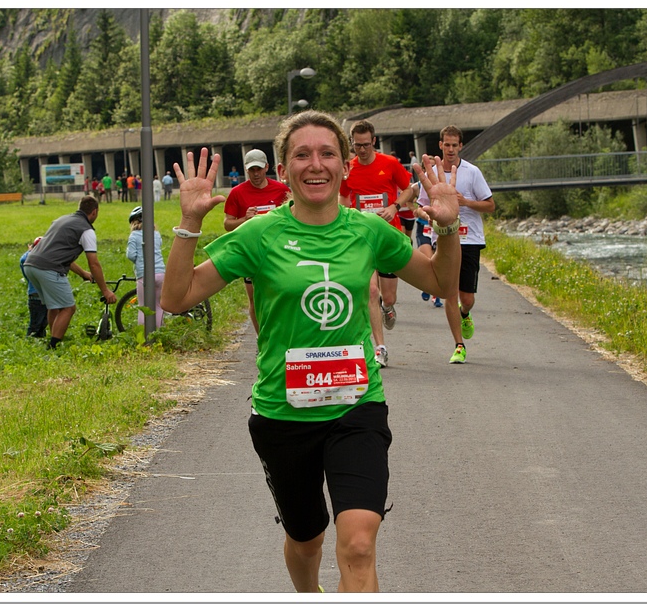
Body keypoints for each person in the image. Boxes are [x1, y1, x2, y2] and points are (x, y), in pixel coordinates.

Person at [161, 110, 461, 593]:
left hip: (357, 408)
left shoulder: (368, 231)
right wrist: (189, 222)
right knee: (306, 541)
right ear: (283, 170)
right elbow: (176, 299)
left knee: (359, 544)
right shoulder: (259, 235)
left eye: (327, 154)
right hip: (283, 416)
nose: (316, 164)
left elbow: (441, 283)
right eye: (302, 155)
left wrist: (448, 230)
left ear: (345, 165)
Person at [404, 125, 494, 364]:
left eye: (455, 145)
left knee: (467, 299)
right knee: (449, 293)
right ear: (440, 145)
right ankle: (459, 345)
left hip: (470, 238)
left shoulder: (472, 172)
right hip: (442, 238)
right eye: (447, 145)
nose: (451, 149)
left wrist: (465, 202)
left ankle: (465, 314)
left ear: (461, 146)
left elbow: (490, 205)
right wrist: (429, 214)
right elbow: (421, 207)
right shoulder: (432, 174)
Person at [337, 119, 414, 368]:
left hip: (387, 236)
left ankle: (387, 307)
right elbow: (343, 197)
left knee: (387, 297)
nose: (362, 150)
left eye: (366, 145)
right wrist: (346, 217)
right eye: (357, 145)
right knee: (371, 291)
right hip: (361, 239)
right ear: (352, 143)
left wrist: (394, 207)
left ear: (374, 141)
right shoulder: (349, 168)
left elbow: (409, 189)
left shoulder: (389, 163)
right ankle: (380, 348)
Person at [22, 195, 117, 349]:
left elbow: (57, 253)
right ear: (94, 212)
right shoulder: (86, 230)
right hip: (49, 268)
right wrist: (105, 291)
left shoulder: (61, 220)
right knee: (68, 308)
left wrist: (83, 274)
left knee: (54, 306)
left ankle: (52, 339)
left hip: (30, 264)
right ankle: (53, 346)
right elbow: (94, 263)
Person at [222, 148, 290, 335]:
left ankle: (282, 335)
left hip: (279, 251)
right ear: (246, 170)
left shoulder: (281, 190)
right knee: (255, 300)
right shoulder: (237, 193)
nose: (256, 174)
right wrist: (245, 219)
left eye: (259, 169)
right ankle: (262, 339)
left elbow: (295, 216)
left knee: (283, 295)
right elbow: (227, 224)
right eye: (252, 170)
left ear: (267, 167)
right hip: (251, 252)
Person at [126, 206, 166, 328]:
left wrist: (138, 261)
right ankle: (159, 333)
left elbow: (131, 255)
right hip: (160, 273)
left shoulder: (134, 236)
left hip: (144, 275)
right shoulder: (156, 234)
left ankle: (144, 335)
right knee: (158, 306)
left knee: (143, 307)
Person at [20, 236, 47, 338]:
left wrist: (30, 251)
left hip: (36, 294)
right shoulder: (43, 259)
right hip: (40, 295)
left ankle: (37, 340)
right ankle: (31, 340)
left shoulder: (27, 259)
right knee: (37, 324)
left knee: (40, 323)